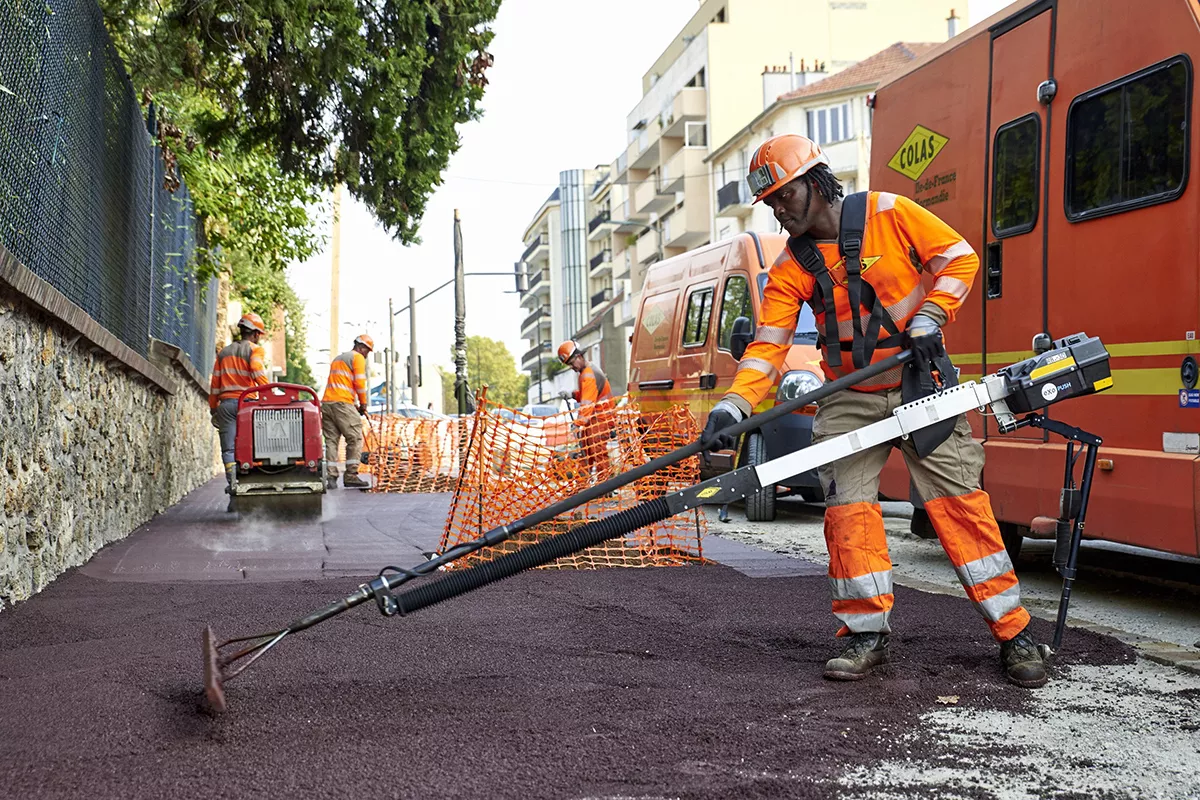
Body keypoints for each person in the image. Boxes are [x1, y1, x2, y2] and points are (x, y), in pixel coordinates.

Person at [700, 134, 1048, 689]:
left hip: (922, 384)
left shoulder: (890, 212)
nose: (778, 209)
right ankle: (866, 635)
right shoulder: (790, 268)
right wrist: (733, 404)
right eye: (770, 202)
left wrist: (932, 315)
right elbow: (768, 346)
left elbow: (960, 258)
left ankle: (1014, 633)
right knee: (848, 516)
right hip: (848, 399)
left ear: (816, 182)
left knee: (961, 509)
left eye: (784, 195)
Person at [209, 313, 270, 492]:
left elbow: (215, 384)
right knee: (253, 445)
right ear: (256, 334)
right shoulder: (255, 349)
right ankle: (253, 480)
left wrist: (213, 408)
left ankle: (234, 483)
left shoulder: (224, 352)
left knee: (229, 449)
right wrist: (268, 391)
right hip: (247, 405)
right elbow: (256, 369)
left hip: (226, 405)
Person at [557, 341, 615, 483]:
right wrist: (573, 395)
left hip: (601, 418)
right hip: (594, 418)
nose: (572, 368)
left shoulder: (588, 374)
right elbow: (587, 396)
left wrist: (578, 424)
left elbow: (587, 404)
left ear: (579, 356)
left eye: (572, 363)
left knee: (597, 451)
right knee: (585, 451)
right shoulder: (586, 372)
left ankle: (605, 486)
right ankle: (582, 485)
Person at [322, 334, 373, 488]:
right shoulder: (357, 357)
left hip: (327, 403)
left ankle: (331, 477)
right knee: (355, 438)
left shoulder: (338, 358)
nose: (367, 354)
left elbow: (342, 383)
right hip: (342, 403)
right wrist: (363, 404)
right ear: (362, 347)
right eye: (368, 351)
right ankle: (351, 475)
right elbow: (359, 383)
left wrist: (354, 403)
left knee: (331, 441)